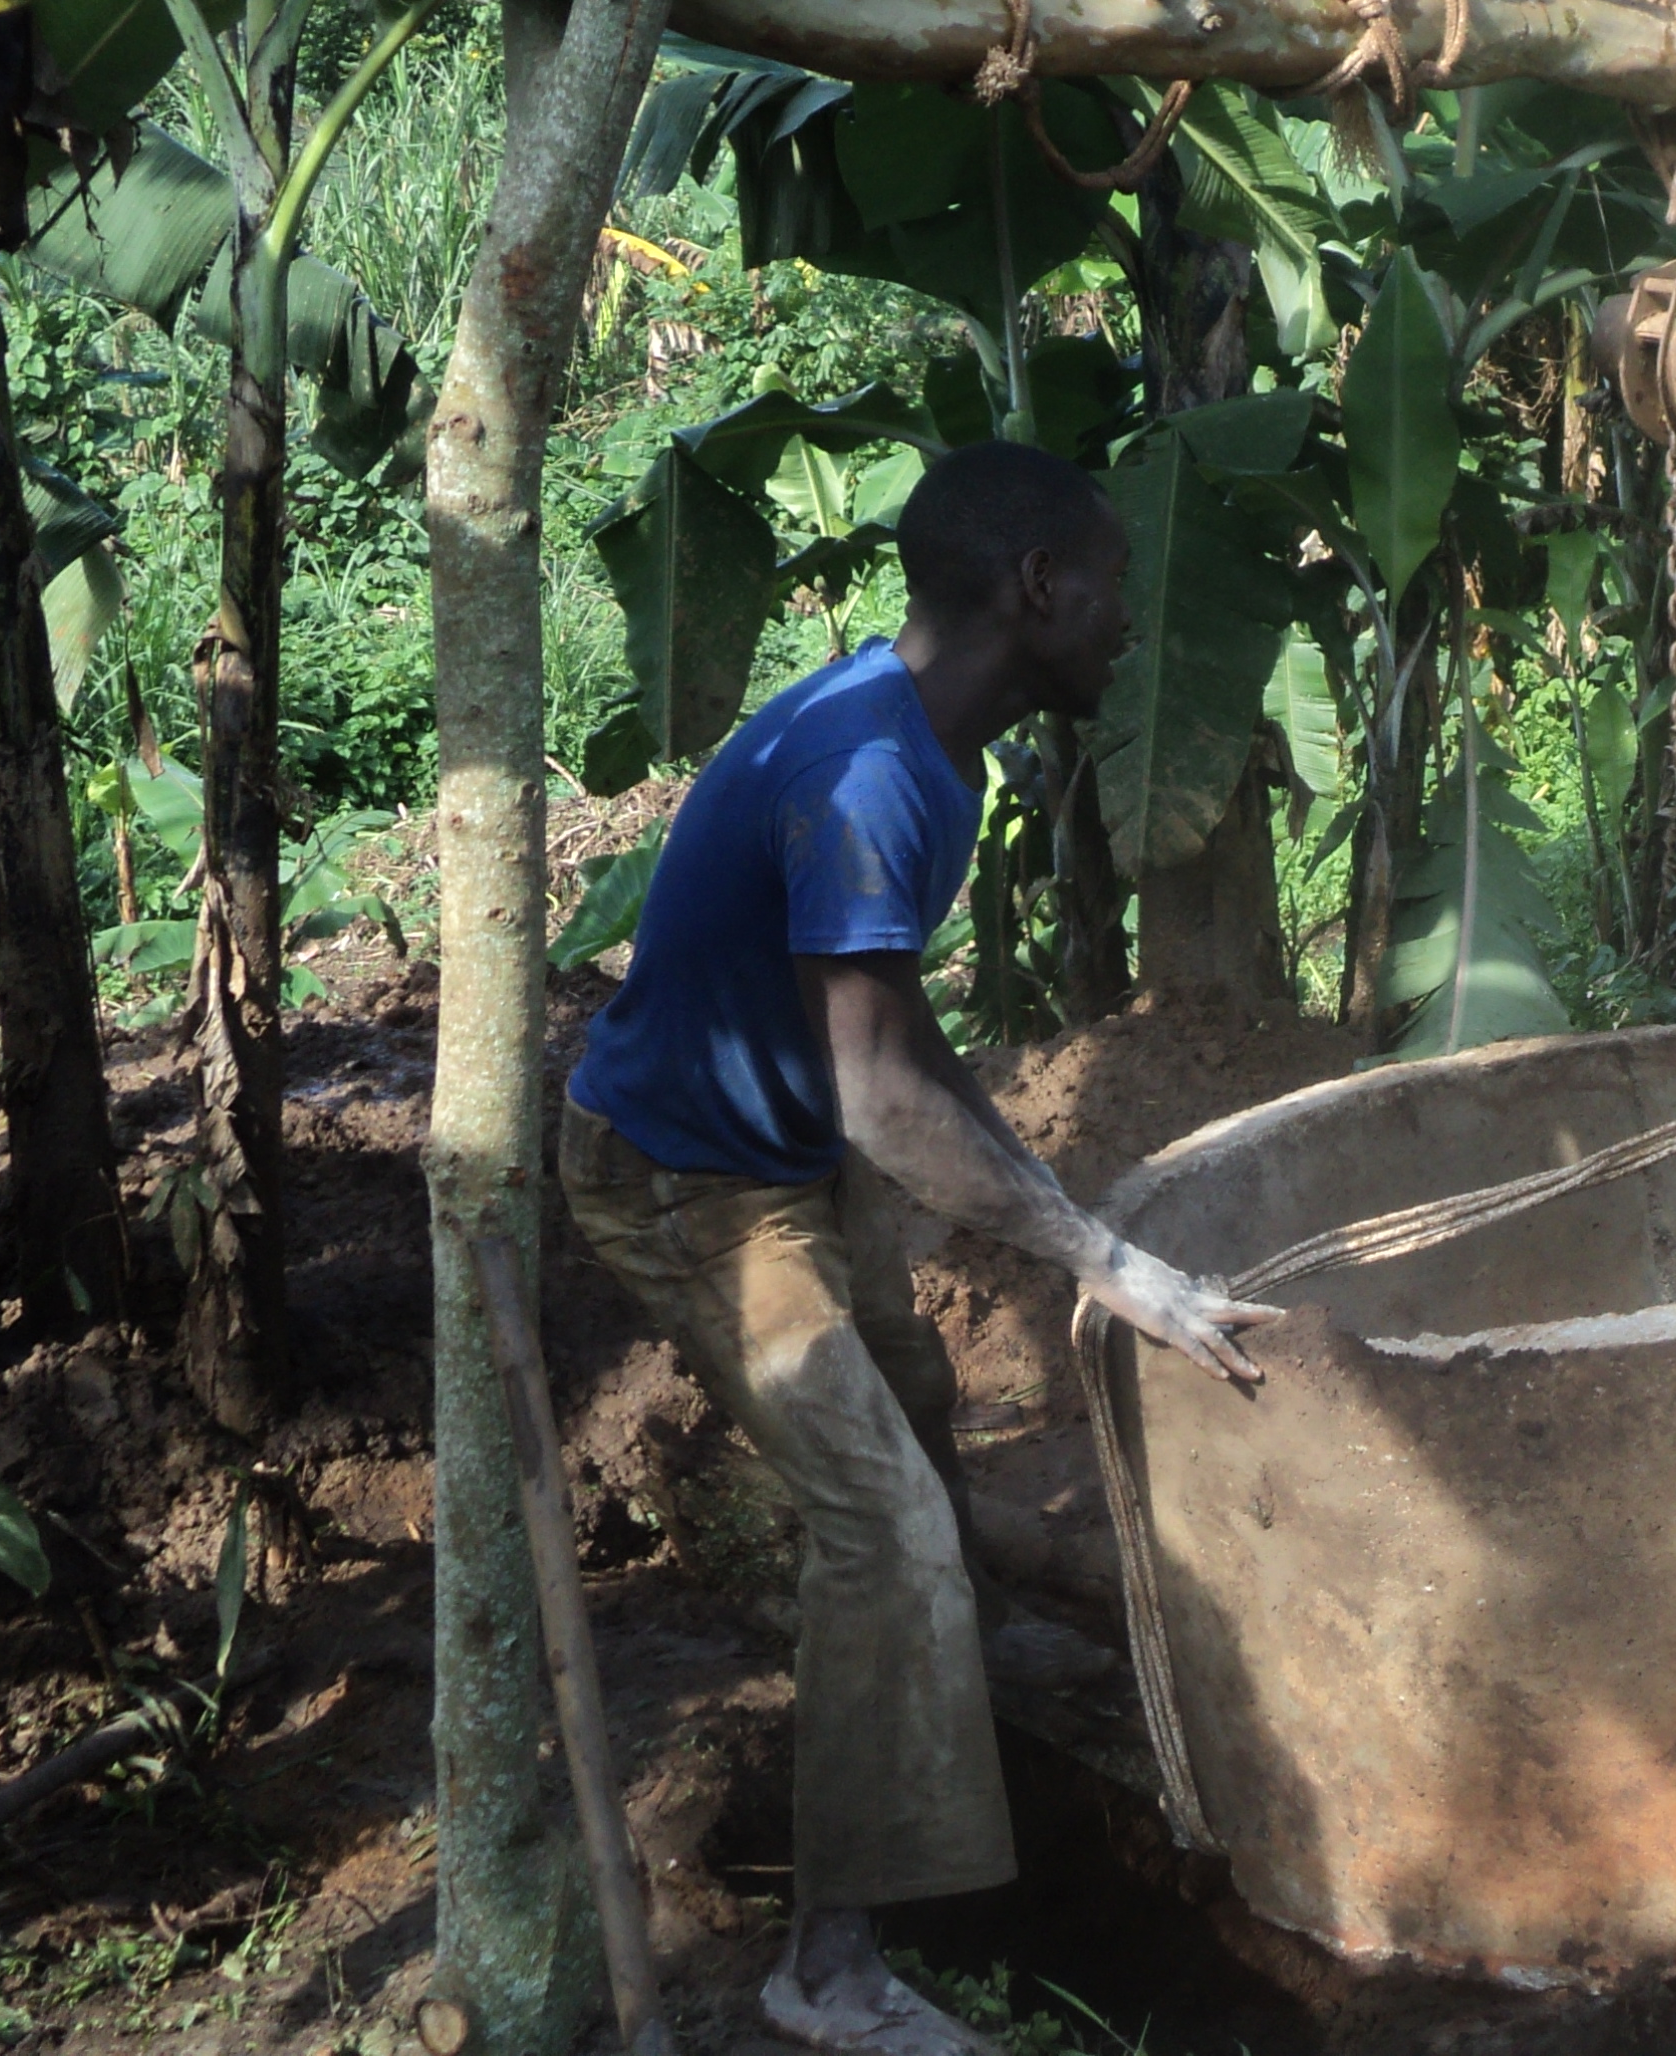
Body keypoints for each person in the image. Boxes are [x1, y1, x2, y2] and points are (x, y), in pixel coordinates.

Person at [559, 440, 1277, 2056]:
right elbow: (881, 1095)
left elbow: (883, 1033)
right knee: (883, 1530)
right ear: (1039, 586)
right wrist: (1098, 1254)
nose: (1130, 623)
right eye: (1112, 586)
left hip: (781, 1155)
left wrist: (1060, 1215)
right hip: (683, 1177)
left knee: (915, 1413)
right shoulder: (873, 771)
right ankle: (829, 1969)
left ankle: (979, 1691)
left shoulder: (917, 741)